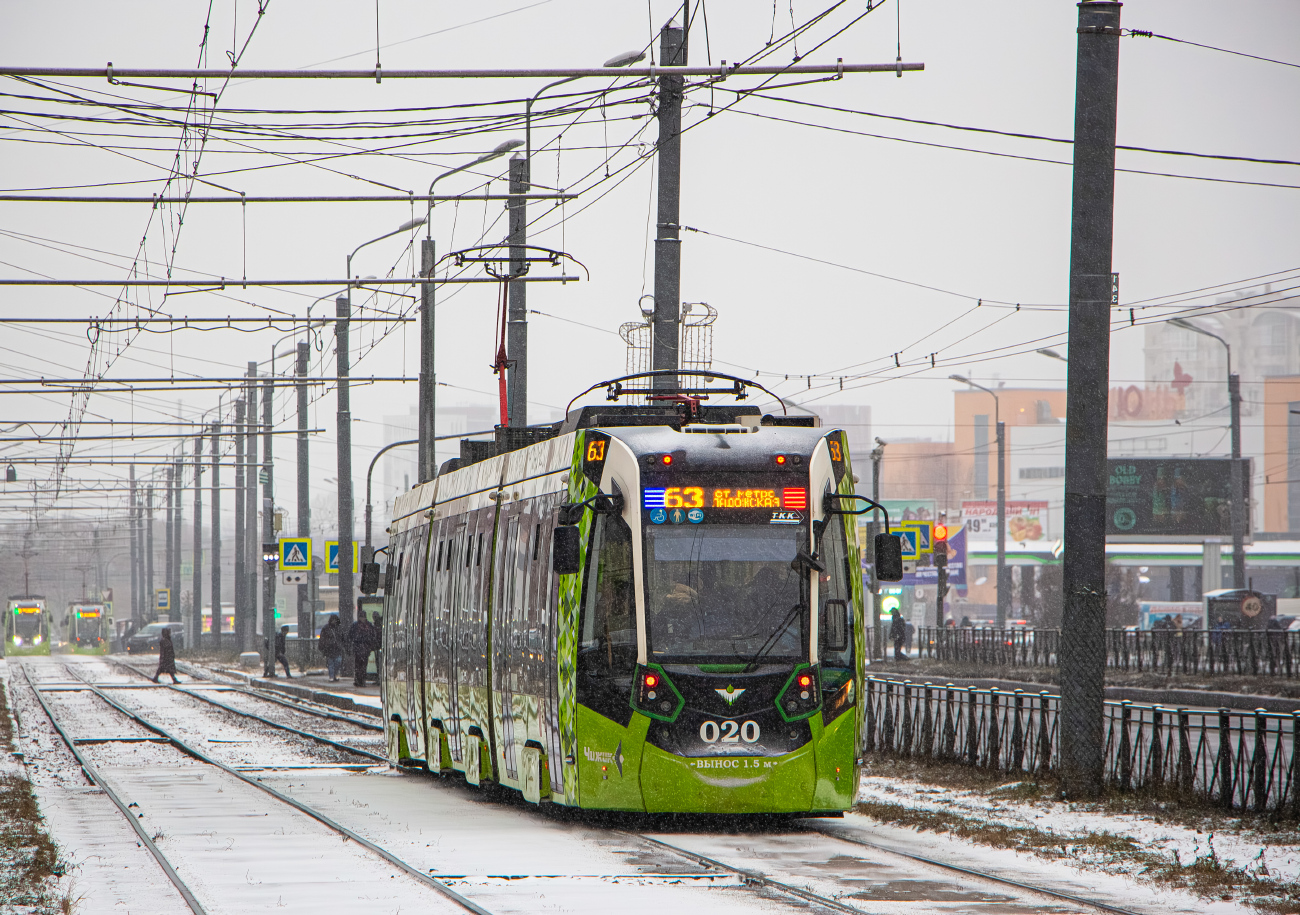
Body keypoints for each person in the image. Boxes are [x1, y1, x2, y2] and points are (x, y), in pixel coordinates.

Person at [350, 613, 376, 687]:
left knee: (362, 666)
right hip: (360, 648)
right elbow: (351, 636)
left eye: (363, 617)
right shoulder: (363, 625)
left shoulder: (366, 625)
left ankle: (361, 680)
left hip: (363, 648)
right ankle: (359, 680)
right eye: (361, 617)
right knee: (359, 666)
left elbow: (372, 636)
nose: (362, 619)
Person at [319, 615, 344, 682]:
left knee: (337, 662)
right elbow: (322, 639)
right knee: (332, 663)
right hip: (330, 648)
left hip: (336, 648)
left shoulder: (338, 628)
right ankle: (332, 676)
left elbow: (342, 638)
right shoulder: (327, 628)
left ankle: (333, 676)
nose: (334, 621)